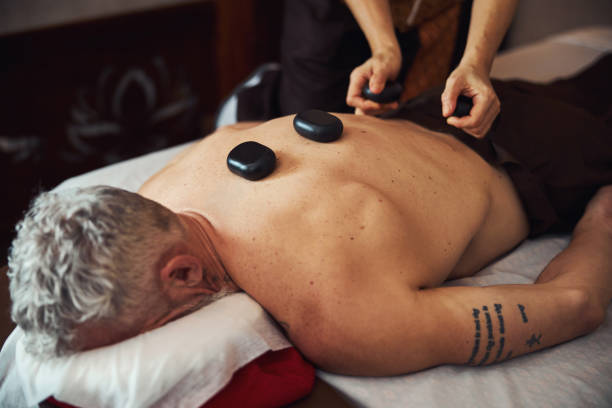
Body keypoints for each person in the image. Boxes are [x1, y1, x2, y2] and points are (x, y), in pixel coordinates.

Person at [7, 55, 612, 376]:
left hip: (547, 159)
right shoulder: (171, 182)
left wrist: (599, 223)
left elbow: (576, 305)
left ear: (184, 275)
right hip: (444, 108)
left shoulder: (336, 319)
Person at [279, 0, 518, 138]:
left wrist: (477, 64)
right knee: (306, 124)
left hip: (438, 12)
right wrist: (384, 47)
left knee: (415, 125)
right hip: (339, 11)